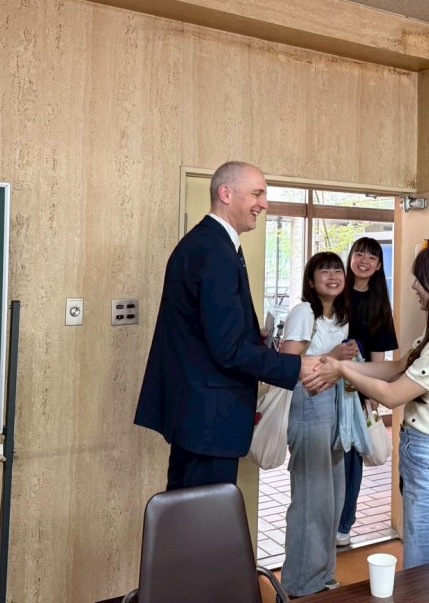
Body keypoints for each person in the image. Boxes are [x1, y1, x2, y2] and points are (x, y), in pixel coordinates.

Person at [133, 161, 318, 491]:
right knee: (202, 527)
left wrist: (251, 335)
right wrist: (296, 366)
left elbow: (205, 331)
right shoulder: (214, 250)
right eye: (257, 194)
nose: (264, 204)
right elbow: (227, 350)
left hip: (197, 416)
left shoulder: (208, 243)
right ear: (226, 193)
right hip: (209, 420)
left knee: (188, 520)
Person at [305, 241, 429, 569]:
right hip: (426, 456)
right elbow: (393, 367)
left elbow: (392, 394)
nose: (414, 286)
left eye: (421, 279)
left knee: (426, 563)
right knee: (423, 553)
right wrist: (336, 365)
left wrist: (342, 368)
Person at [278, 252, 358, 598]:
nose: (332, 275)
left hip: (335, 405)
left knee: (332, 498)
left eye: (337, 269)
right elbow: (286, 364)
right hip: (309, 405)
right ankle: (299, 584)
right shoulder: (303, 312)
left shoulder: (340, 315)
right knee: (311, 498)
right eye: (323, 270)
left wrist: (345, 363)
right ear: (310, 281)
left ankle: (323, 575)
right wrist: (336, 357)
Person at [336, 237, 398, 548]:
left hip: (356, 391)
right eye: (360, 253)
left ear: (378, 266)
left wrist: (373, 396)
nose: (364, 261)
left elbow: (379, 357)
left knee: (351, 458)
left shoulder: (378, 303)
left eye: (372, 257)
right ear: (351, 256)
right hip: (326, 387)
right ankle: (326, 517)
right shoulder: (335, 293)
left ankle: (344, 524)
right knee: (326, 454)